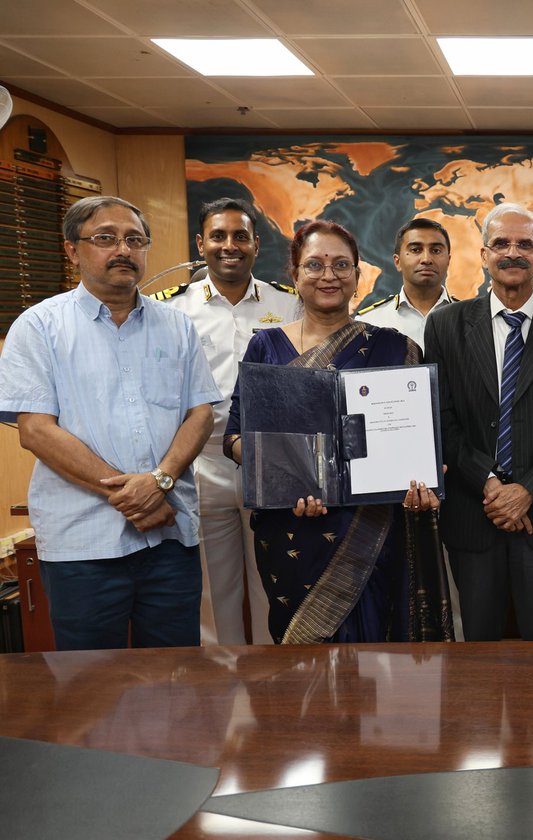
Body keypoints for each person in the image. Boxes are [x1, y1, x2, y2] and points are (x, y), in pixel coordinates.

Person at [0, 196, 220, 650]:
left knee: (177, 676)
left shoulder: (177, 326)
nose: (123, 249)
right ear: (72, 250)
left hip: (169, 540)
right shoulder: (39, 327)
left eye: (134, 240)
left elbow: (200, 413)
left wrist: (159, 481)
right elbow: (37, 430)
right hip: (84, 545)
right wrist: (137, 497)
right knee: (91, 687)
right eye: (105, 238)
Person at [224, 220, 454, 644]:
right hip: (292, 529)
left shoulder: (394, 346)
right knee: (304, 670)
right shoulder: (266, 347)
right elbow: (235, 437)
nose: (328, 276)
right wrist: (283, 478)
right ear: (294, 275)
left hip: (374, 527)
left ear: (357, 276)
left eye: (341, 265)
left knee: (379, 662)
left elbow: (416, 437)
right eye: (314, 264)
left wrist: (424, 478)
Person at [423, 203, 533, 641]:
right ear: (484, 255)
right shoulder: (444, 326)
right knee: (477, 650)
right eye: (501, 243)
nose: (512, 253)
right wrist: (489, 483)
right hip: (472, 511)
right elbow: (441, 417)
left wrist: (527, 491)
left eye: (525, 244)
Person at [155, 197, 301, 645]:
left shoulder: (288, 304)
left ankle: (276, 689)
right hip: (201, 465)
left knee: (274, 583)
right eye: (218, 236)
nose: (229, 245)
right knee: (212, 592)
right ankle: (224, 703)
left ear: (257, 244)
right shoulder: (169, 310)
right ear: (201, 244)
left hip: (273, 462)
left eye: (240, 236)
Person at [356, 218, 454, 350]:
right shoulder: (369, 323)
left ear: (448, 260)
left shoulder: (471, 320)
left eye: (436, 250)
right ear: (397, 262)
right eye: (415, 250)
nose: (426, 259)